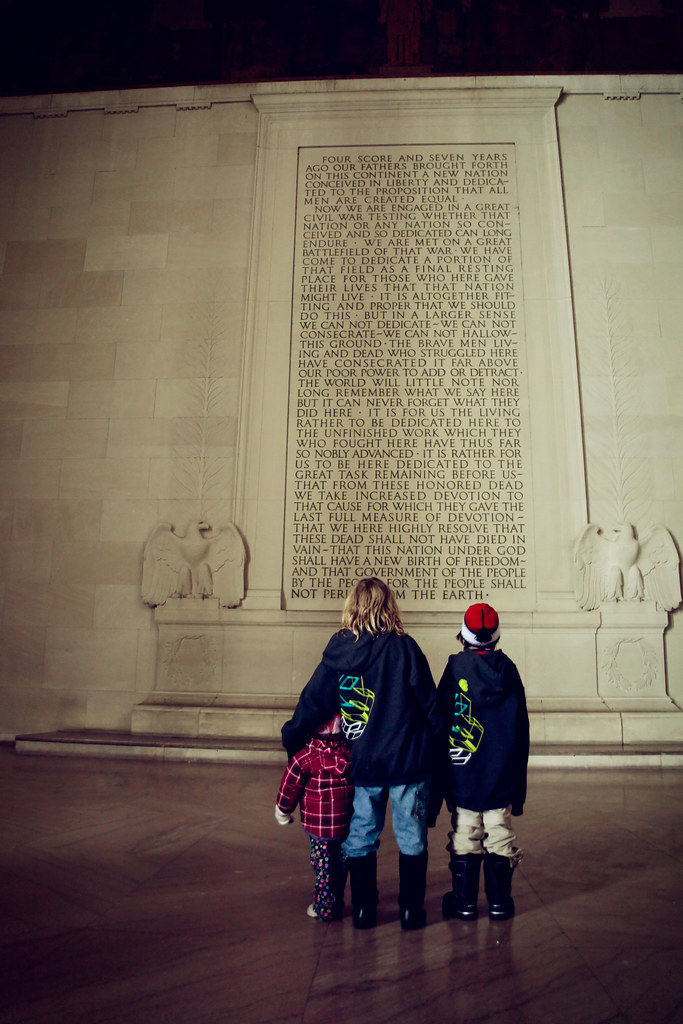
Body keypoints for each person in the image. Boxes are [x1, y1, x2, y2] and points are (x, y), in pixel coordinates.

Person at [282, 577, 441, 931]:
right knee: (412, 837)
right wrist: (440, 749)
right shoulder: (406, 648)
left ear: (352, 605)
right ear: (390, 605)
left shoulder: (339, 650)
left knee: (361, 835)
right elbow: (430, 705)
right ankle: (411, 912)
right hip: (408, 762)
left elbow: (313, 701)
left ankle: (365, 911)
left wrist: (292, 735)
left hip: (363, 762)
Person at [433, 603, 529, 922]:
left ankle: (465, 903)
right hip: (500, 772)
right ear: (496, 638)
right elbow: (521, 730)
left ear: (463, 636)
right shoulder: (509, 670)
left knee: (465, 830)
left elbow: (440, 722)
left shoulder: (455, 668)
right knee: (499, 829)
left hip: (463, 770)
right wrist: (519, 789)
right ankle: (500, 902)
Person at [275, 712, 354, 921]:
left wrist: (283, 812)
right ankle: (336, 898)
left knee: (323, 865)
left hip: (318, 825)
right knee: (342, 862)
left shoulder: (305, 756)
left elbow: (290, 785)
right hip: (346, 822)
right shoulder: (349, 753)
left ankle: (324, 907)